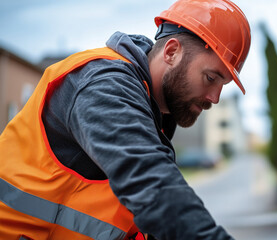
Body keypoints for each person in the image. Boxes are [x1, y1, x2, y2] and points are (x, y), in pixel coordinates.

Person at [0, 0, 251, 239]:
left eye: (223, 85)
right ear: (172, 52)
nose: (215, 98)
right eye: (210, 78)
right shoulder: (103, 84)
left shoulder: (154, 117)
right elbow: (152, 184)